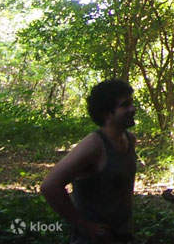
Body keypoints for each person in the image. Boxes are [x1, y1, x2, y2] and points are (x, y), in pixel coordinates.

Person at [41, 79, 137, 243]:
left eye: (132, 103)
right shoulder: (94, 145)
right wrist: (84, 225)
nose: (133, 109)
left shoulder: (130, 140)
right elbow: (50, 186)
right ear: (107, 113)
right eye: (125, 105)